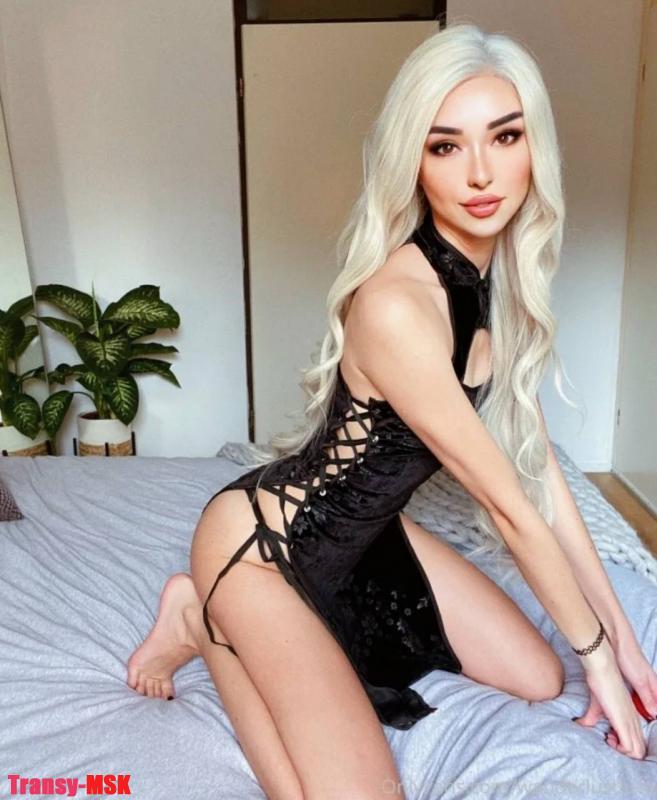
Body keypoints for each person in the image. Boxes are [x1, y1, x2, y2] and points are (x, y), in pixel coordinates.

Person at [126, 20, 657, 799]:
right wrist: (598, 661)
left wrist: (620, 644)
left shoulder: (498, 287)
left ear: (533, 147)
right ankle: (203, 620)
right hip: (265, 549)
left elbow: (537, 471)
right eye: (444, 146)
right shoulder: (396, 305)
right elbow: (508, 509)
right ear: (413, 162)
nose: (480, 172)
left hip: (368, 537)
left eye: (504, 136)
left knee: (540, 677)